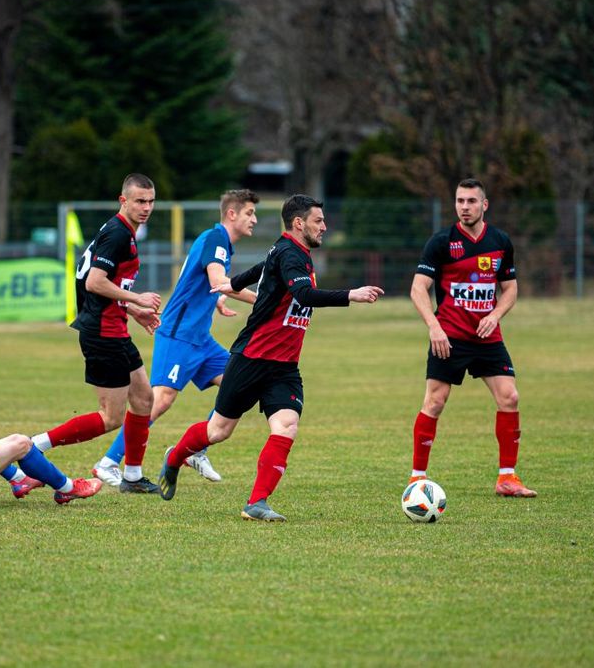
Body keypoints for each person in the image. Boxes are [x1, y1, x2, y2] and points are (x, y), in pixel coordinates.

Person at [157, 194, 384, 521]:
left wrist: (231, 284)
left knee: (286, 424)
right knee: (218, 430)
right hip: (252, 358)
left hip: (284, 366)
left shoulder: (288, 251)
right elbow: (303, 294)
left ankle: (256, 502)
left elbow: (262, 268)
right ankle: (175, 458)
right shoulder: (291, 254)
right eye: (318, 221)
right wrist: (352, 295)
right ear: (298, 223)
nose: (324, 226)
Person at [93, 189, 261, 486]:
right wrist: (261, 300)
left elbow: (205, 283)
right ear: (232, 214)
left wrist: (217, 301)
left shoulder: (219, 242)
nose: (255, 220)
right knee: (159, 400)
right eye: (250, 213)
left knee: (243, 384)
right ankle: (108, 462)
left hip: (200, 338)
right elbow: (218, 281)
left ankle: (196, 450)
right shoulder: (216, 239)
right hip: (179, 334)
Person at [29, 173, 163, 493]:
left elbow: (99, 287)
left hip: (114, 325)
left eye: (150, 201)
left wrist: (132, 311)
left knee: (144, 399)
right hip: (103, 333)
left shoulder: (122, 232)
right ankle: (35, 446)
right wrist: (137, 298)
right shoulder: (118, 234)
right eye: (139, 201)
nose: (146, 208)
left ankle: (131, 475)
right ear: (123, 201)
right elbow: (94, 283)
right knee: (110, 418)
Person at [408, 178, 536, 498]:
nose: (464, 207)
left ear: (484, 205)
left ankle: (507, 477)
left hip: (486, 336)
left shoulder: (500, 241)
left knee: (510, 397)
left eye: (470, 201)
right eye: (459, 201)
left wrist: (494, 316)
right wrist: (434, 327)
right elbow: (418, 288)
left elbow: (510, 289)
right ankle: (416, 478)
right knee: (435, 402)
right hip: (448, 336)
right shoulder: (441, 242)